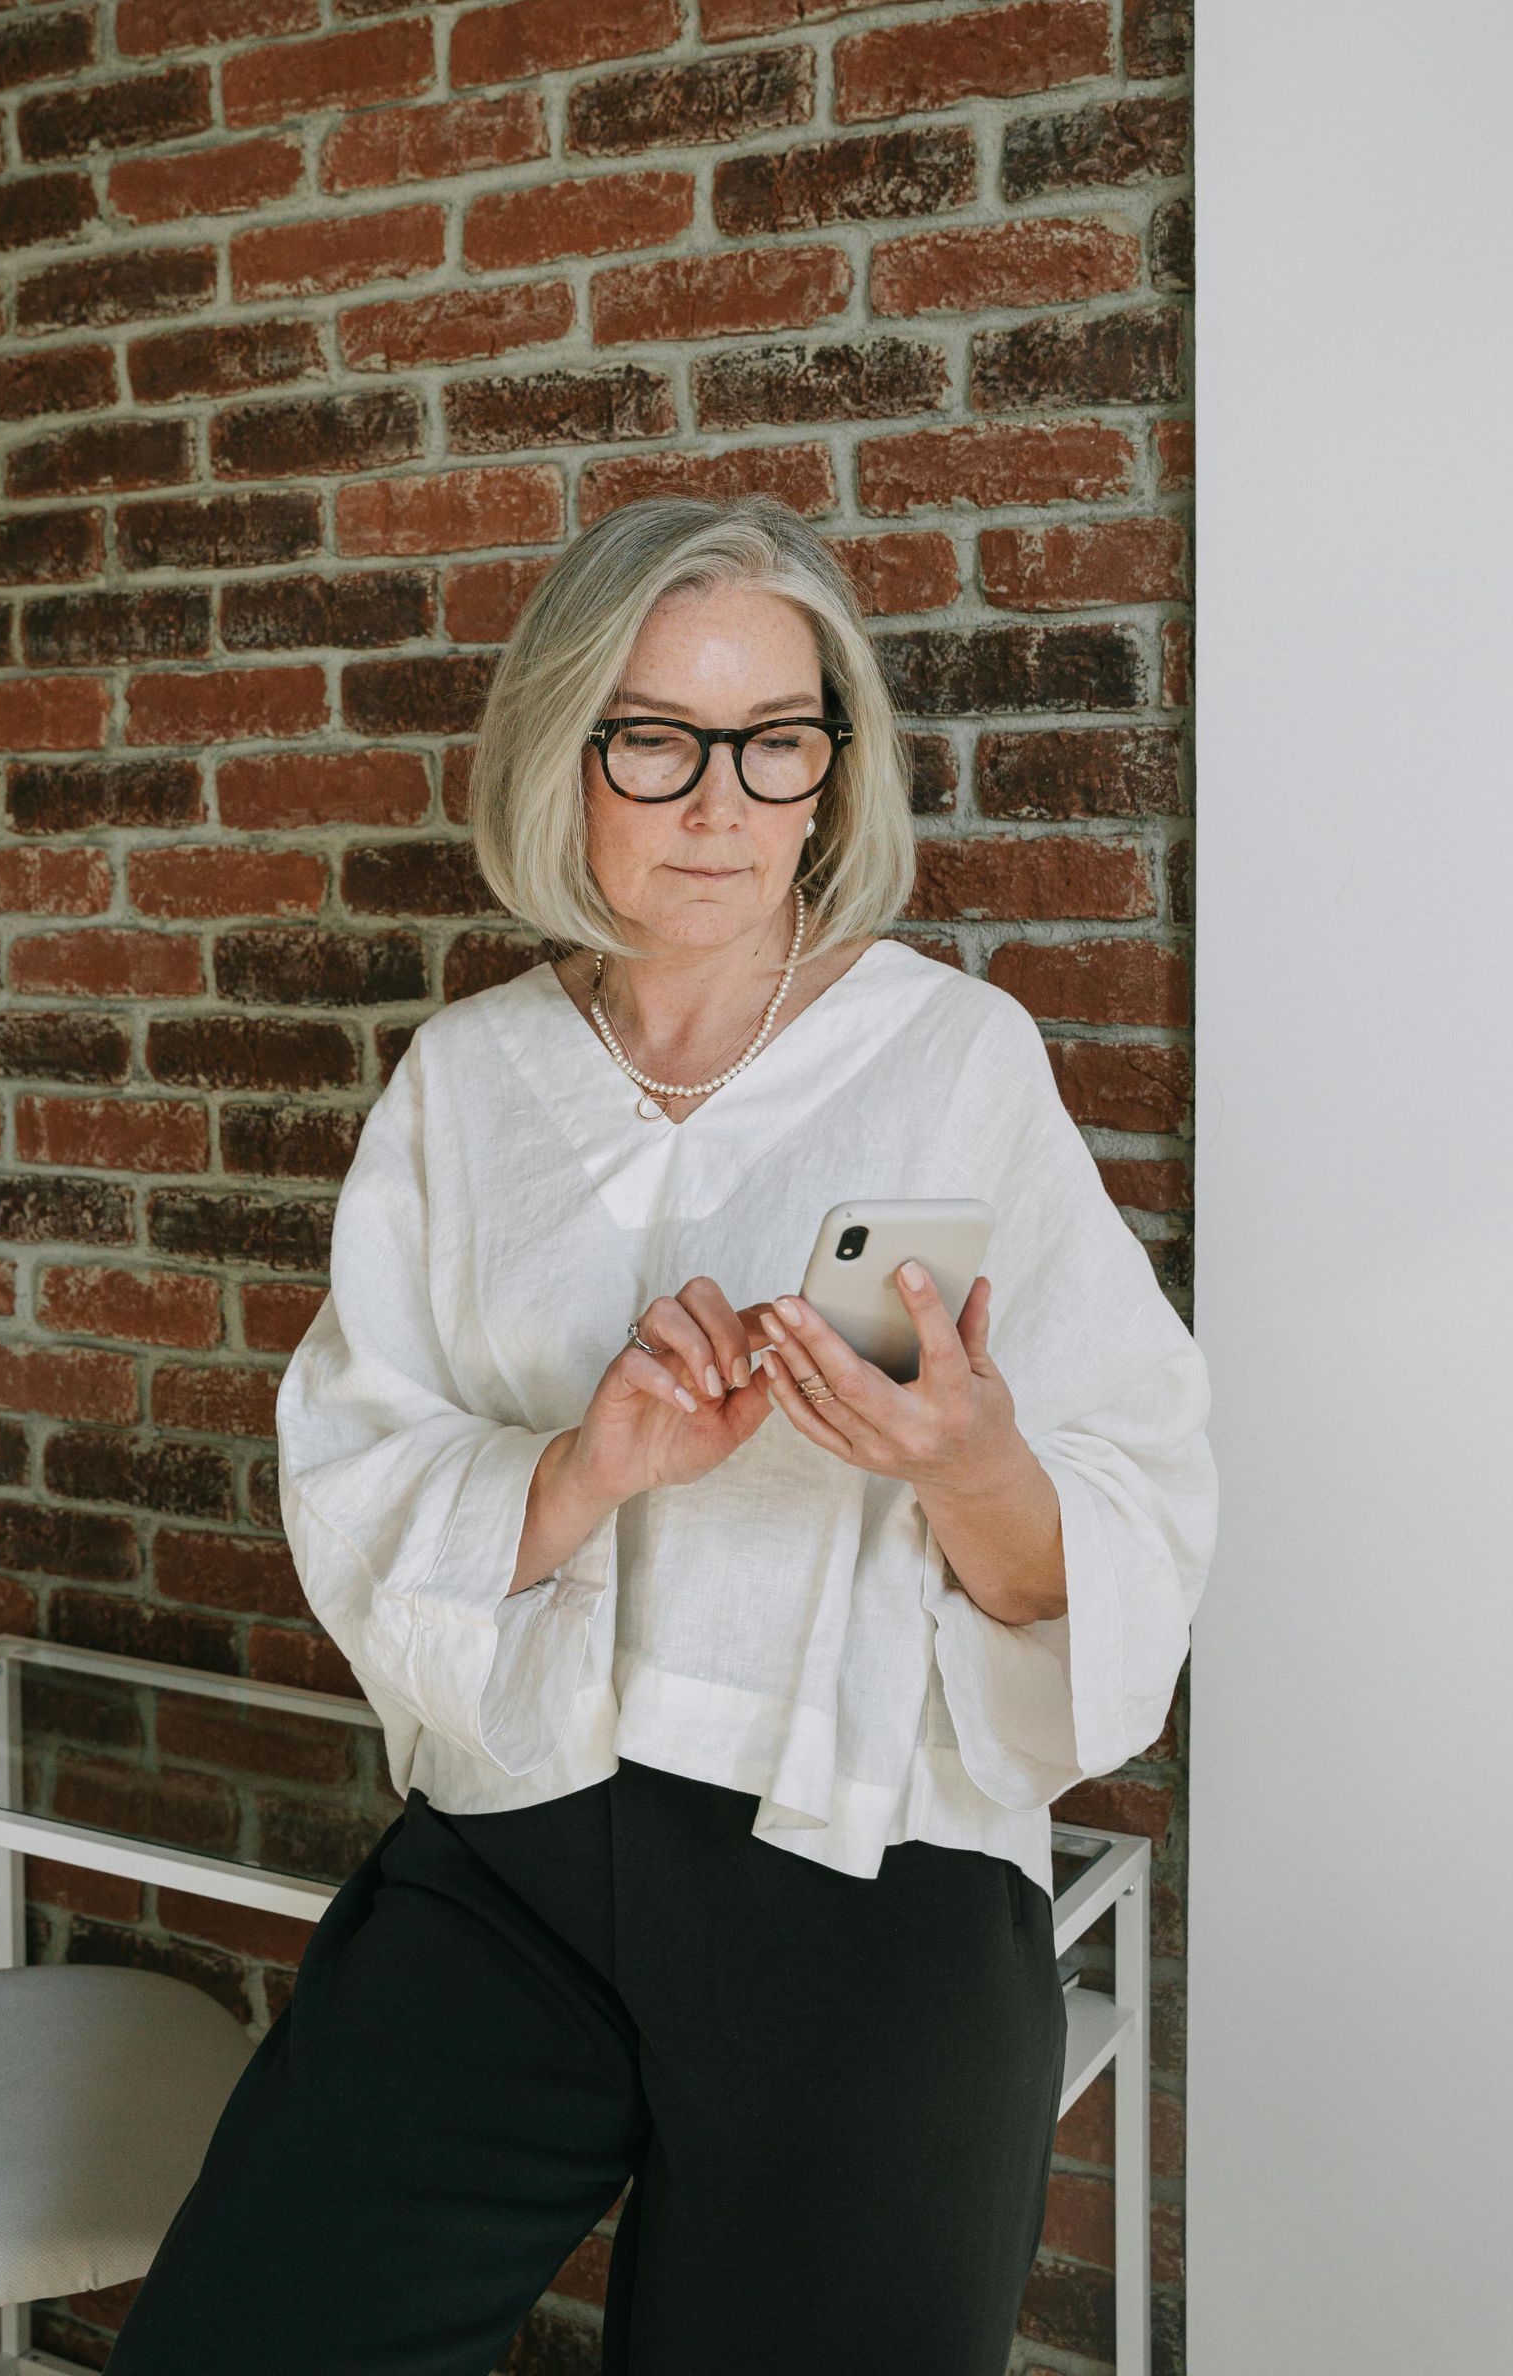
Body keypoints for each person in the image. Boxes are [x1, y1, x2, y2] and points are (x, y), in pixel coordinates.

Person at [105, 495, 1218, 2375]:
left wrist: (960, 1461)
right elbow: (355, 1462)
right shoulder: (466, 1081)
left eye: (777, 741)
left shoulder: (954, 1057)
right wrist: (583, 1466)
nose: (720, 804)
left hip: (869, 1871)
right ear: (565, 751)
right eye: (656, 741)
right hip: (515, 1849)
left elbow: (1129, 1532)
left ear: (832, 768)